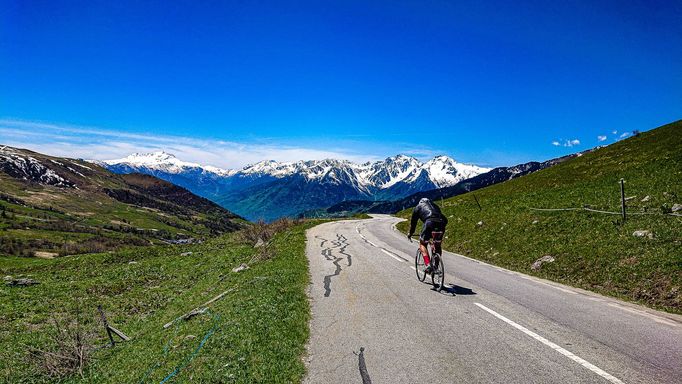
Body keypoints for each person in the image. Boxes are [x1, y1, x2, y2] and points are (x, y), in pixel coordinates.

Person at [408, 197, 448, 273]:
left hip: (429, 223)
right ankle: (436, 267)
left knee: (423, 243)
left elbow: (413, 223)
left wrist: (410, 233)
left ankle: (428, 264)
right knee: (437, 245)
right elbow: (445, 219)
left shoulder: (418, 207)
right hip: (441, 223)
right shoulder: (435, 206)